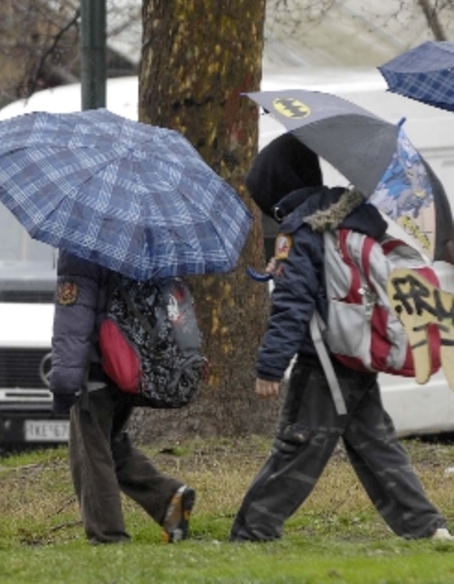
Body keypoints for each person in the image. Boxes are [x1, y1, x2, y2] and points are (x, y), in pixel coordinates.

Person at [230, 132, 450, 542]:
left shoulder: (300, 230)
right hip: (356, 350)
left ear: (277, 188)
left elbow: (293, 305)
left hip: (325, 357)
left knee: (298, 444)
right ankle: (425, 527)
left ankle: (254, 531)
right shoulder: (352, 216)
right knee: (376, 443)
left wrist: (270, 366)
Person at [49, 252, 195, 544]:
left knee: (90, 454)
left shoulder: (82, 247)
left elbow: (72, 321)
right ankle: (168, 499)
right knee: (112, 444)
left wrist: (64, 383)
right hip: (132, 366)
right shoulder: (142, 238)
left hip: (98, 368)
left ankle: (108, 535)